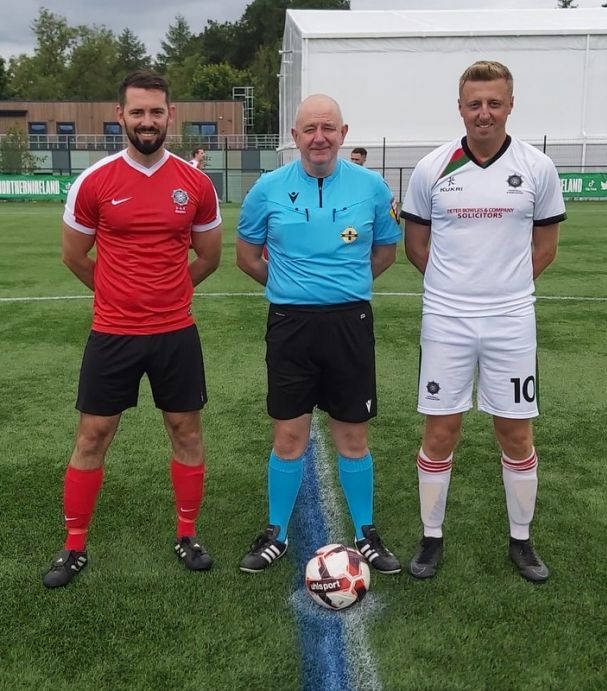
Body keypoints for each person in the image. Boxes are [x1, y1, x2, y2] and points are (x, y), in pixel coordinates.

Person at [43, 70, 223, 588]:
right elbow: (74, 256)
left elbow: (208, 256)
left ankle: (187, 534)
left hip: (175, 333)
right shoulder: (95, 181)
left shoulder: (195, 184)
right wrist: (118, 294)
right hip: (113, 333)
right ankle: (74, 546)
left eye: (157, 111)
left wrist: (170, 293)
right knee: (93, 434)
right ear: (120, 116)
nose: (148, 121)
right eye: (138, 112)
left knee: (185, 430)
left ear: (172, 115)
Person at [401, 61, 566, 583]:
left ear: (510, 105)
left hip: (512, 320)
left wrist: (503, 287)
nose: (484, 113)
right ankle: (431, 538)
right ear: (460, 108)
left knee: (515, 432)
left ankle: (521, 541)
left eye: (494, 103)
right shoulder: (432, 167)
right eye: (475, 104)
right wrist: (458, 289)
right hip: (446, 320)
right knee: (441, 429)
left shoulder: (537, 167)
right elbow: (416, 246)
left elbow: (545, 247)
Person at [236, 94, 402, 575]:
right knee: (289, 436)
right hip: (291, 327)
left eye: (328, 128)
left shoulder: (372, 188)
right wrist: (291, 288)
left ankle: (366, 532)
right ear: (295, 137)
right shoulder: (266, 189)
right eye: (309, 129)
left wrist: (341, 289)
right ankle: (276, 533)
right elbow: (247, 257)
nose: (319, 137)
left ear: (344, 133)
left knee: (353, 435)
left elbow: (385, 254)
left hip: (349, 324)